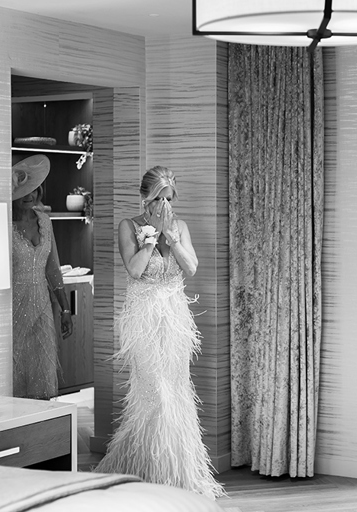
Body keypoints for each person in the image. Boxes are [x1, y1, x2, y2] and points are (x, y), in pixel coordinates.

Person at [94, 166, 225, 500]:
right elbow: (135, 270)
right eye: (158, 199)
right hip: (143, 319)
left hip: (175, 320)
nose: (165, 206)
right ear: (145, 199)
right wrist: (152, 236)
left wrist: (172, 238)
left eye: (169, 199)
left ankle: (177, 473)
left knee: (177, 390)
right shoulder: (129, 226)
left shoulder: (179, 227)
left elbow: (191, 268)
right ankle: (150, 470)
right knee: (154, 393)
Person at [12, 154, 73, 400]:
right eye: (24, 190)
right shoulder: (4, 224)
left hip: (43, 306)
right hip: (13, 306)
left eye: (34, 189)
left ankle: (44, 424)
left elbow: (53, 270)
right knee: (15, 366)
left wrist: (65, 309)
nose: (30, 195)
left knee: (43, 366)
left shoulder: (45, 222)